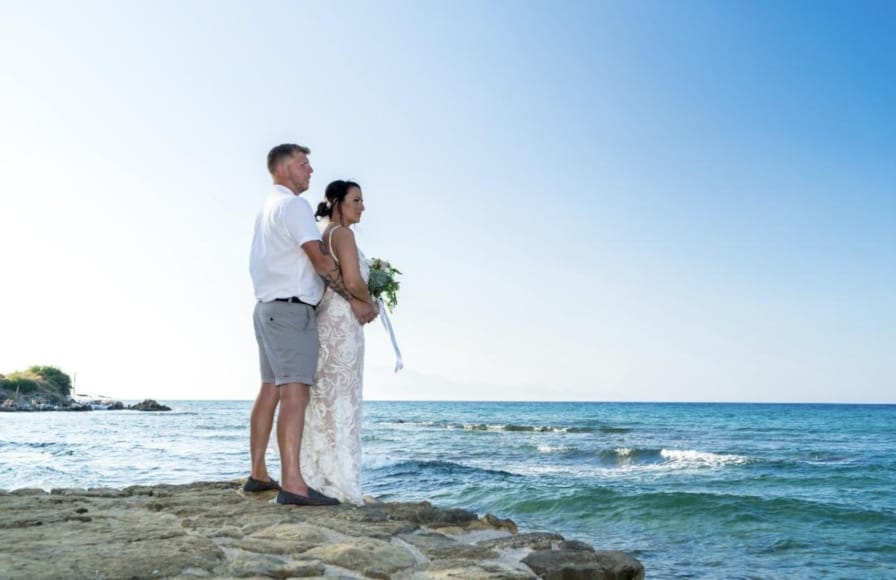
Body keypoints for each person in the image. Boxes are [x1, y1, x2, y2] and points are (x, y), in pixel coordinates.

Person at [246, 144, 377, 506]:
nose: (311, 170)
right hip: (290, 311)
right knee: (295, 393)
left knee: (270, 388)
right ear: (285, 168)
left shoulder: (266, 208)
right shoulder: (293, 205)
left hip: (266, 307)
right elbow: (319, 260)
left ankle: (258, 473)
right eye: (304, 164)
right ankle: (294, 485)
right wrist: (357, 300)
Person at [301, 180, 378, 505]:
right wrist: (371, 302)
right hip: (342, 325)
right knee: (343, 400)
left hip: (328, 322)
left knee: (326, 400)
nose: (362, 206)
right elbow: (351, 280)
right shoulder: (342, 234)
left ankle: (318, 475)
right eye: (356, 200)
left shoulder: (325, 232)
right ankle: (339, 481)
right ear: (337, 201)